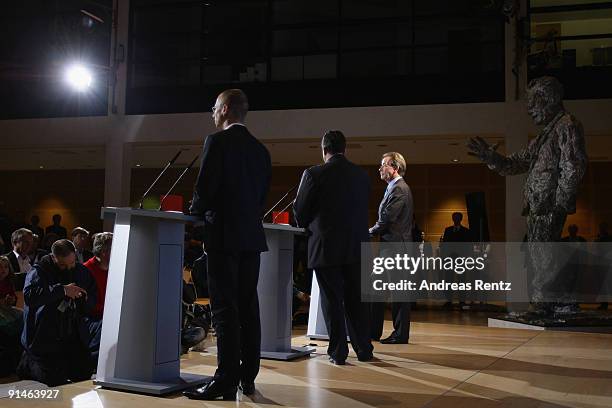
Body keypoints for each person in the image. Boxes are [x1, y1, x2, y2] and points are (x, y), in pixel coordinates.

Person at [468, 76, 587, 311]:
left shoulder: (567, 125)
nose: (530, 109)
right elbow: (516, 163)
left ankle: (558, 300)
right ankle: (547, 301)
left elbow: (574, 165)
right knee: (539, 254)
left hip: (550, 203)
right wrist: (492, 158)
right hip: (538, 205)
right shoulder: (544, 136)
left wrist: (561, 201)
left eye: (534, 101)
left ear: (550, 99)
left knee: (545, 253)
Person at [184, 89, 271, 400]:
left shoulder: (216, 141)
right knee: (248, 306)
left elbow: (205, 187)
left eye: (214, 108)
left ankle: (224, 380)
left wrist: (195, 214)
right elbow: (260, 198)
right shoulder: (261, 150)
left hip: (223, 235)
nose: (212, 113)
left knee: (224, 308)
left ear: (224, 109)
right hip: (251, 236)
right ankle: (248, 377)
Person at [294, 130, 374, 365]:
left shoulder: (313, 174)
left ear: (324, 149)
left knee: (332, 300)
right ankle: (364, 349)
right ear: (344, 149)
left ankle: (338, 351)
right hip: (357, 246)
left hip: (326, 247)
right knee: (356, 300)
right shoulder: (361, 175)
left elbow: (300, 212)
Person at [17, 239, 97, 386]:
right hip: (44, 336)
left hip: (71, 331)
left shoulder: (80, 270)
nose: (68, 268)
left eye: (72, 263)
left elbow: (92, 295)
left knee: (83, 375)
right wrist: (62, 290)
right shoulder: (39, 271)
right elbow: (30, 296)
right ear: (54, 258)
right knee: (50, 381)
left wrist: (83, 298)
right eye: (62, 265)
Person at [369, 152, 413, 344]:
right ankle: (372, 331)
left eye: (383, 165)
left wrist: (368, 232)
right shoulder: (392, 187)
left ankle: (400, 334)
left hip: (397, 248)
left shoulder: (399, 189)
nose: (380, 168)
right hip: (390, 247)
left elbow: (386, 219)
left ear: (394, 168)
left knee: (399, 294)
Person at [83, 232, 113, 368]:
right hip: (91, 318)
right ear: (103, 251)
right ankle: (92, 363)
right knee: (107, 326)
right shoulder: (86, 270)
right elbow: (85, 305)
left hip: (108, 316)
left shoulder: (115, 269)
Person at [440, 212, 473, 310]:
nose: (455, 219)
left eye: (457, 217)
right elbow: (444, 245)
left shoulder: (466, 231)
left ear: (461, 219)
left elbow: (468, 246)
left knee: (461, 280)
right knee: (448, 280)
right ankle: (449, 300)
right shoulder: (448, 230)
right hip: (450, 259)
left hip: (460, 259)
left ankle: (462, 300)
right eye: (454, 217)